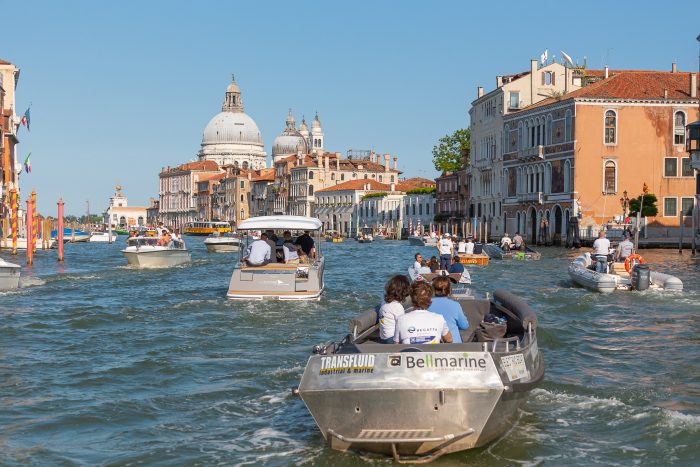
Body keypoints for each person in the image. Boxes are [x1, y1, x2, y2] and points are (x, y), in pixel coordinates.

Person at [428, 276, 469, 343]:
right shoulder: (455, 305)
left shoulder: (426, 305)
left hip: (433, 344)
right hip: (453, 345)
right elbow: (464, 326)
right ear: (449, 290)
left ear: (434, 289)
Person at [378, 275, 411, 344]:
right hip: (392, 339)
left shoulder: (384, 302)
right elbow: (402, 326)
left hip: (384, 337)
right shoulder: (397, 307)